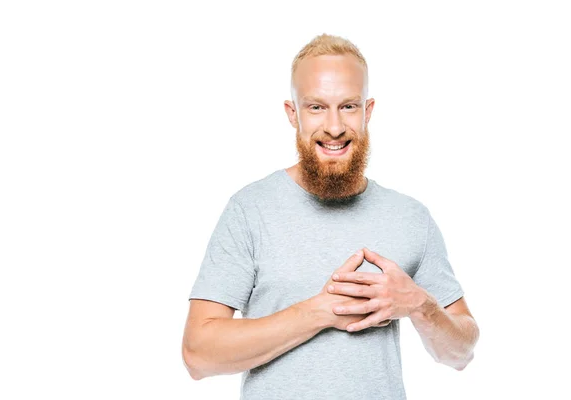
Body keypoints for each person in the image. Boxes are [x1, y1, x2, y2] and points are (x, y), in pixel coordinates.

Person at [182, 33, 479, 399]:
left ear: (368, 111)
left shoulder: (411, 218)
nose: (335, 127)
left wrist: (420, 304)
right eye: (317, 107)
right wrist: (320, 313)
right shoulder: (250, 210)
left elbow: (461, 353)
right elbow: (198, 355)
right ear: (294, 114)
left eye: (349, 107)